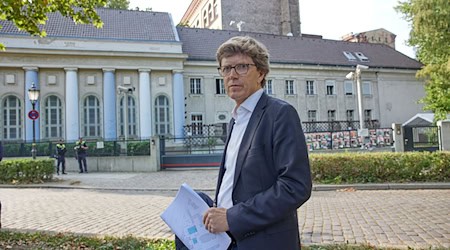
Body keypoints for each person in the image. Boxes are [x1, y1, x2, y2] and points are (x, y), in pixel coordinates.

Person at [176, 36, 312, 249]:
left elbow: (295, 186)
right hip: (226, 240)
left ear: (261, 72)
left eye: (241, 67)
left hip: (263, 241)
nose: (232, 75)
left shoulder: (280, 114)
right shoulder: (235, 120)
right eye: (226, 68)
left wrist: (233, 217)